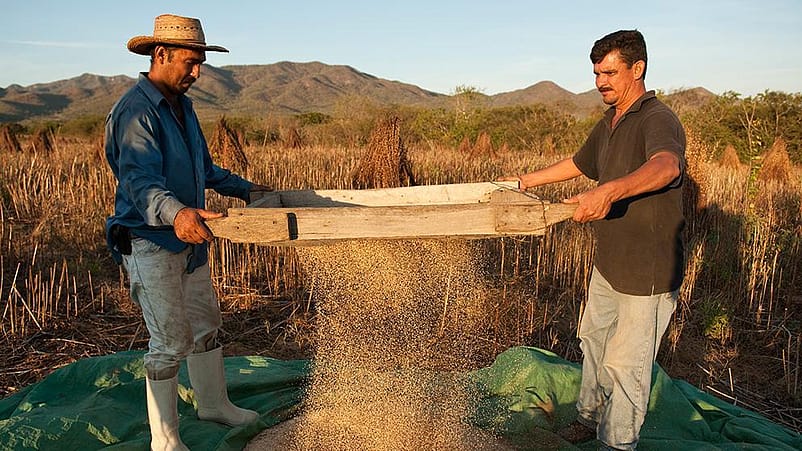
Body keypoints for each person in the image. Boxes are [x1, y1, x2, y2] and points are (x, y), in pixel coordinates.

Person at [500, 30, 685, 450]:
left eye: (610, 72)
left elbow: (668, 165)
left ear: (637, 69)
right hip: (609, 262)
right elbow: (580, 163)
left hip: (647, 272)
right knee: (594, 340)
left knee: (628, 366)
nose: (601, 81)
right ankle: (587, 418)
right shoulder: (610, 121)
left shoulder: (657, 119)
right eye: (597, 73)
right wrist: (525, 181)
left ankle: (616, 443)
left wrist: (609, 191)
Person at [104, 14, 271, 450]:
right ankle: (166, 438)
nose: (197, 73)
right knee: (169, 340)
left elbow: (205, 168)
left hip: (190, 239)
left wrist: (244, 189)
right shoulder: (136, 112)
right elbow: (139, 182)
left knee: (206, 325)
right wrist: (177, 215)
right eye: (190, 63)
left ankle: (213, 405)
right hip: (151, 240)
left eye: (200, 63)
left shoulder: (184, 107)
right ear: (160, 55)